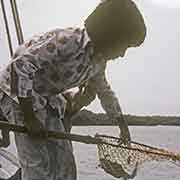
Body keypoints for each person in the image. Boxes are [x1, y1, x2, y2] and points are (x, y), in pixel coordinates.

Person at [0, 0, 146, 179]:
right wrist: (30, 118)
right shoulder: (66, 41)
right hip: (16, 93)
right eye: (123, 46)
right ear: (108, 36)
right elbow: (20, 67)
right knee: (37, 164)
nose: (122, 54)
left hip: (46, 98)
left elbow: (104, 91)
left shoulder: (98, 62)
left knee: (64, 164)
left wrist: (121, 123)